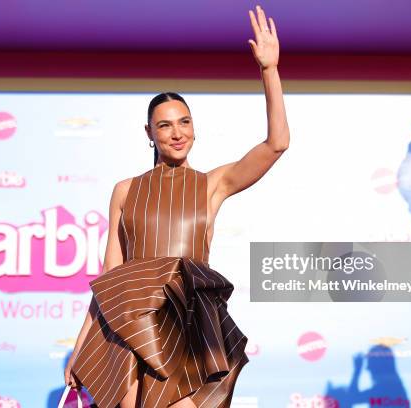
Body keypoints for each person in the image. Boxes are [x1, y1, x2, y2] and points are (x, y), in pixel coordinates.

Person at [63, 5, 289, 407]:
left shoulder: (210, 185)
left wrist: (269, 71)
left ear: (194, 129)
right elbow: (109, 276)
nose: (176, 132)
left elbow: (276, 144)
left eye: (184, 122)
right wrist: (82, 345)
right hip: (129, 329)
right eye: (165, 125)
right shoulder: (125, 190)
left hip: (185, 327)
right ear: (149, 133)